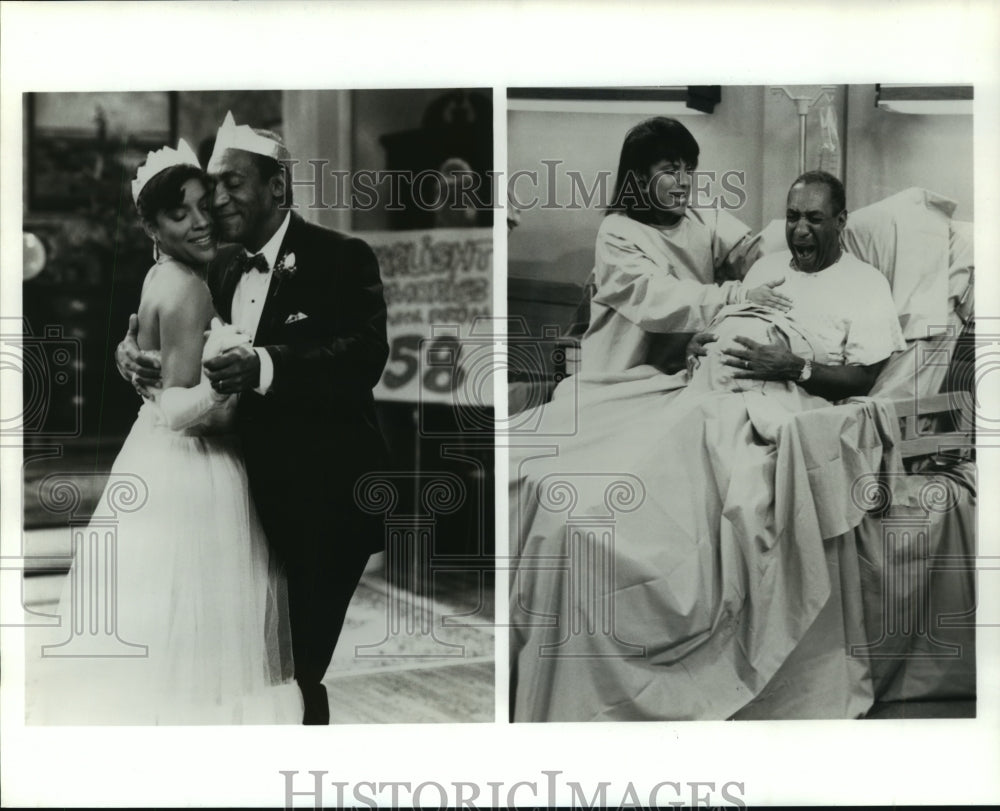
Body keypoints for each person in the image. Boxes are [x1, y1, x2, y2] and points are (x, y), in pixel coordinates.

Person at [510, 171, 906, 722]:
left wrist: (795, 366)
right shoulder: (766, 269)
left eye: (815, 218)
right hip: (696, 386)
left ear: (842, 221)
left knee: (619, 507)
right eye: (792, 217)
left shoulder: (864, 285)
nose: (800, 230)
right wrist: (701, 342)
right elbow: (720, 311)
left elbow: (863, 378)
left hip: (766, 403)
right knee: (546, 467)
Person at [117, 113, 389, 725]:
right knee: (245, 671)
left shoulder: (341, 256)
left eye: (233, 183)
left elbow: (366, 356)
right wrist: (131, 356)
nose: (217, 200)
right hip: (240, 507)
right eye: (211, 185)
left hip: (323, 503)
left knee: (295, 673)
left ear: (278, 188)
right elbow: (168, 342)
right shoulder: (214, 264)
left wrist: (264, 364)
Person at [34, 140, 301, 724]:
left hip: (157, 460)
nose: (202, 221)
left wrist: (132, 357)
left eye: (205, 204)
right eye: (181, 213)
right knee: (206, 643)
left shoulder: (165, 272)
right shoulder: (188, 286)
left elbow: (154, 360)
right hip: (194, 467)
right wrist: (224, 382)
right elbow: (179, 406)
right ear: (152, 224)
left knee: (169, 635)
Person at [582, 116, 792, 376]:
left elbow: (751, 255)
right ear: (640, 178)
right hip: (622, 375)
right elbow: (659, 300)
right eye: (670, 171)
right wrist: (736, 295)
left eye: (688, 169)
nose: (684, 181)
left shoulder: (702, 213)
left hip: (684, 369)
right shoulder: (616, 232)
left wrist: (797, 234)